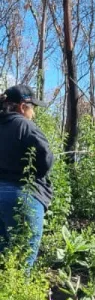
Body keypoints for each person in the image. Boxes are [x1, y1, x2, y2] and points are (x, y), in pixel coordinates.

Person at [0, 84, 53, 268]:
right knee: (23, 260)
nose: (34, 114)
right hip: (22, 197)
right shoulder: (25, 125)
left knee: (3, 257)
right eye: (33, 108)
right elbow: (45, 160)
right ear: (22, 106)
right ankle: (18, 296)